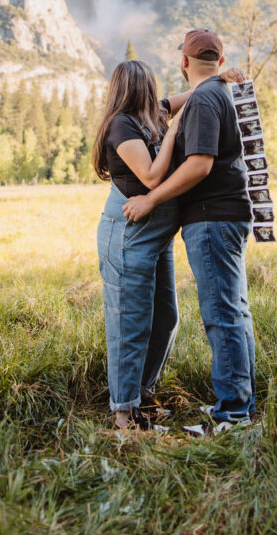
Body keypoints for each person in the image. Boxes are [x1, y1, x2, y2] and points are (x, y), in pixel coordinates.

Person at [123, 29, 256, 431]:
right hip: (227, 215)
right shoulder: (217, 93)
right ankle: (240, 405)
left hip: (212, 218)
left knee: (222, 314)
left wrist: (151, 199)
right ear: (218, 60)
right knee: (235, 310)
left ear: (183, 63)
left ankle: (232, 415)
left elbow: (200, 164)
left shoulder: (202, 99)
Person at [92, 59, 189, 430]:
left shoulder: (153, 116)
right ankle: (124, 414)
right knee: (129, 323)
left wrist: (220, 79)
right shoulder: (123, 125)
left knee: (165, 318)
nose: (157, 93)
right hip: (128, 238)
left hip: (157, 237)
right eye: (150, 86)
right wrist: (174, 130)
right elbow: (150, 176)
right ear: (139, 89)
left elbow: (186, 96)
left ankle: (141, 395)